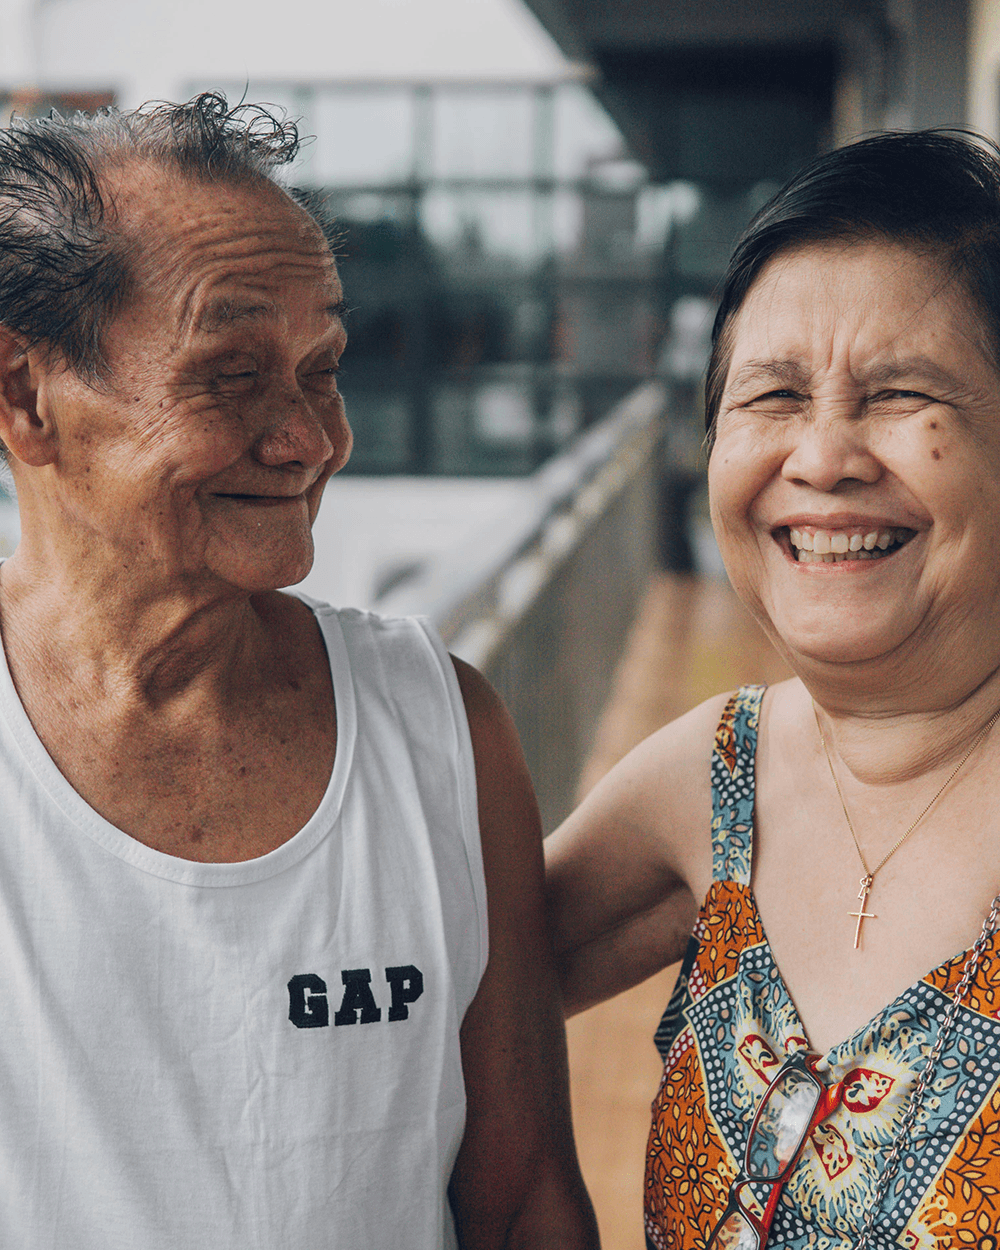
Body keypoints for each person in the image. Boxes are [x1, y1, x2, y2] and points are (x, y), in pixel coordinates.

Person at [0, 94, 598, 1249]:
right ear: (27, 395)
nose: (311, 438)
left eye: (320, 369)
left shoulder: (439, 726)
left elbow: (523, 1198)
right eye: (228, 375)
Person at [545, 129, 1000, 1250]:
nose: (823, 456)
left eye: (898, 392)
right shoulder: (715, 776)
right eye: (771, 396)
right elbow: (408, 994)